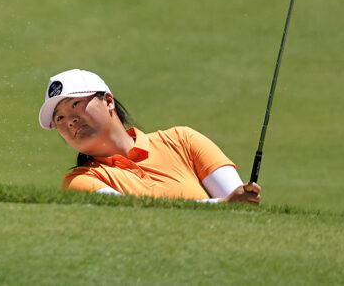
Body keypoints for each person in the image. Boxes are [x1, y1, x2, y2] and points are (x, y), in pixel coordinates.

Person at [38, 69, 261, 204]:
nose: (70, 120)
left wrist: (234, 201)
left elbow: (239, 206)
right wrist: (224, 204)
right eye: (59, 118)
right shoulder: (78, 183)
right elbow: (141, 216)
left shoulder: (183, 140)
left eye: (75, 104)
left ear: (108, 101)